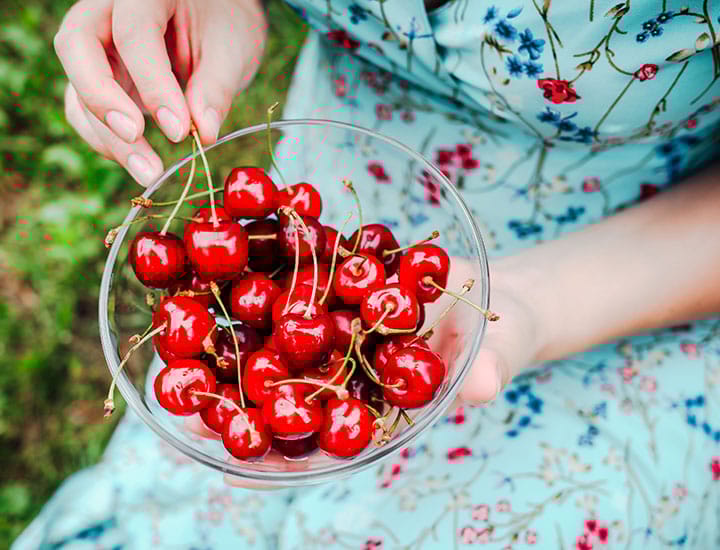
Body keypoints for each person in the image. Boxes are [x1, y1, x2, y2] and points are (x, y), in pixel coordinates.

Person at [14, 0, 720, 548]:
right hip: (326, 243)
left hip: (639, 268)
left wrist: (535, 299)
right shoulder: (287, 271)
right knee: (185, 519)